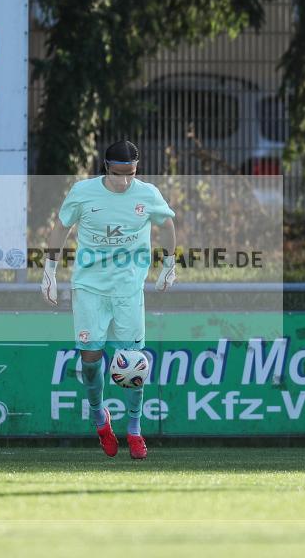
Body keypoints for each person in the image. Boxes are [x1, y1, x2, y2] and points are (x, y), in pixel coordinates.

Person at [41, 140, 176, 459]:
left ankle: (134, 430)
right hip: (89, 289)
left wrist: (169, 265)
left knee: (134, 364)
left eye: (130, 174)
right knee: (90, 362)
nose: (125, 181)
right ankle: (100, 417)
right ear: (106, 168)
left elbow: (167, 225)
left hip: (128, 292)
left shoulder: (147, 194)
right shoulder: (83, 192)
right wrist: (49, 271)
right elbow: (60, 228)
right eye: (118, 174)